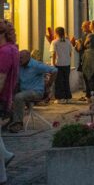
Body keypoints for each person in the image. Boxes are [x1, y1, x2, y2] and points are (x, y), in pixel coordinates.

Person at [8, 50, 56, 132]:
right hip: (24, 91)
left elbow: (54, 70)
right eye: (19, 58)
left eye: (21, 58)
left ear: (28, 57)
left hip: (36, 92)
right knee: (9, 96)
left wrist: (48, 85)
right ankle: (12, 121)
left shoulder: (36, 65)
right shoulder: (20, 65)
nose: (19, 60)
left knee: (18, 97)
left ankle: (18, 123)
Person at [0, 19, 19, 180]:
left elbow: (1, 78)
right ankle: (5, 156)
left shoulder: (5, 52)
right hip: (6, 96)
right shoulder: (12, 49)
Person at [50, 27, 72, 103]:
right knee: (66, 81)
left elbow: (53, 54)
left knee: (59, 82)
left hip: (58, 64)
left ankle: (60, 98)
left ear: (56, 33)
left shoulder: (54, 42)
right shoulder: (68, 42)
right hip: (67, 63)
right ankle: (67, 97)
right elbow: (70, 53)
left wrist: (52, 64)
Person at [72, 21, 91, 100]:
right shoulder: (85, 36)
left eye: (83, 26)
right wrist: (76, 45)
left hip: (88, 60)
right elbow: (79, 49)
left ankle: (90, 94)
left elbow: (82, 47)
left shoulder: (90, 36)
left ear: (88, 26)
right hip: (84, 58)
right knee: (86, 77)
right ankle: (88, 94)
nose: (81, 28)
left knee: (89, 78)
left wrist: (79, 44)